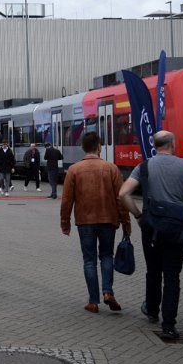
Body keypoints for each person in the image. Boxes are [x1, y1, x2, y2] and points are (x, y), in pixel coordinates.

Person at [118, 130, 183, 340]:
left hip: (151, 227)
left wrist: (138, 216)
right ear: (173, 143)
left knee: (153, 271)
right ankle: (169, 325)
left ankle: (152, 310)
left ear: (154, 146)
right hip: (176, 228)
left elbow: (123, 193)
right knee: (172, 276)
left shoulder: (143, 166)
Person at [60, 132, 130, 314]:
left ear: (83, 147)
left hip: (85, 222)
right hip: (108, 220)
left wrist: (65, 223)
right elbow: (121, 198)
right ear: (99, 146)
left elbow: (67, 200)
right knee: (107, 256)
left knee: (89, 260)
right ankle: (108, 292)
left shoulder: (74, 170)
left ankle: (93, 301)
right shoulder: (112, 169)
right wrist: (126, 223)